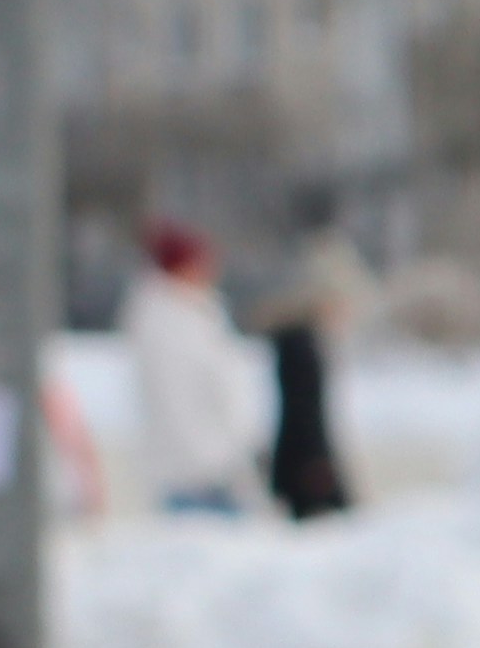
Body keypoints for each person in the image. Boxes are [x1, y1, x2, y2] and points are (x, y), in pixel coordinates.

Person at [120, 216, 252, 520]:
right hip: (197, 473)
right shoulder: (169, 320)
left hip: (214, 467)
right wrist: (217, 452)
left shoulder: (193, 313)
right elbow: (184, 400)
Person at [261, 215, 370, 524]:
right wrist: (317, 465)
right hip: (306, 466)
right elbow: (303, 411)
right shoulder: (300, 344)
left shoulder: (306, 340)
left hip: (304, 462)